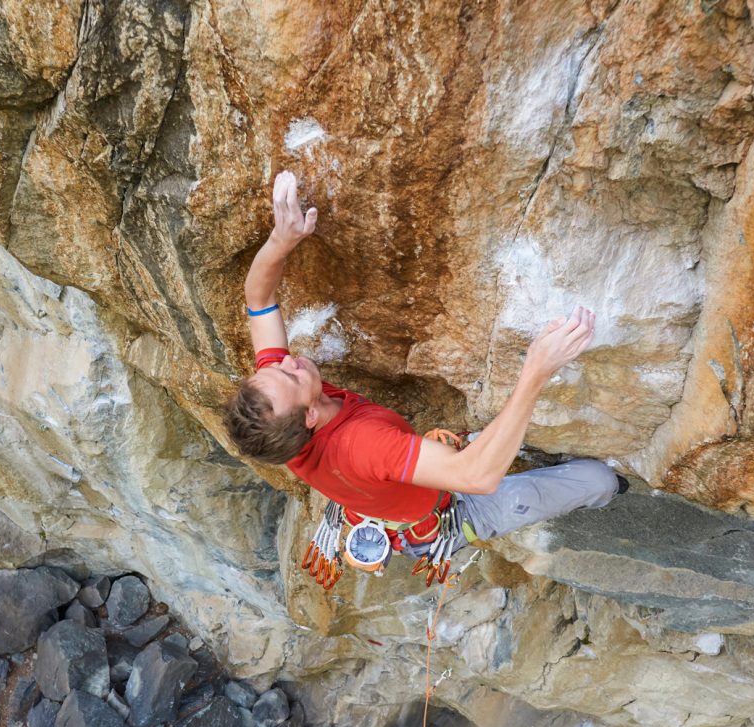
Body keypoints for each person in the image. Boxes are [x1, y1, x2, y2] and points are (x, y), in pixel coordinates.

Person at [223, 171, 623, 574]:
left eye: (278, 367)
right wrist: (537, 369)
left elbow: (258, 299)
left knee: (491, 446)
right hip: (453, 509)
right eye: (291, 376)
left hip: (382, 495)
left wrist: (282, 238)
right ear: (309, 416)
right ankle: (608, 489)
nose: (288, 361)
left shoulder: (277, 414)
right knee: (599, 479)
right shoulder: (362, 444)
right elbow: (476, 476)